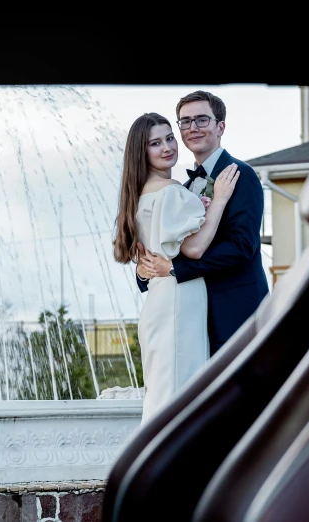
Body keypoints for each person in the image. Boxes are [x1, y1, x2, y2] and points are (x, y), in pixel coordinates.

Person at [113, 112, 239, 424]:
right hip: (178, 302)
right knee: (178, 393)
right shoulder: (170, 192)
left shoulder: (142, 194)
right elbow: (194, 249)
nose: (168, 147)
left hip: (160, 300)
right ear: (141, 152)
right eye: (155, 143)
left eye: (170, 138)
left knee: (162, 393)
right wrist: (219, 200)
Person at [137, 91, 269, 356]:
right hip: (192, 318)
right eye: (185, 122)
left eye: (201, 120)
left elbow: (242, 247)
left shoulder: (240, 175)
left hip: (237, 314)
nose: (192, 128)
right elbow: (162, 254)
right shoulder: (182, 189)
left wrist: (176, 268)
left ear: (220, 126)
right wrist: (144, 271)